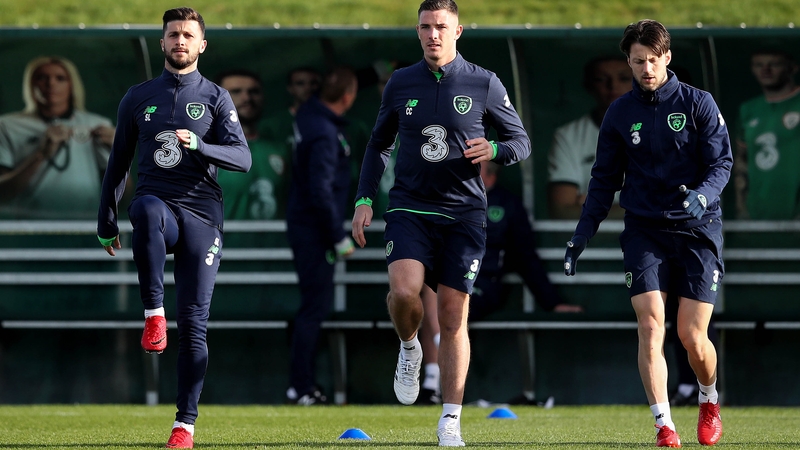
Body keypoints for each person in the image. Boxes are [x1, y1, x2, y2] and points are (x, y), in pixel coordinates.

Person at [351, 0, 531, 446]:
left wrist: (494, 149)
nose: (433, 34)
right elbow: (378, 146)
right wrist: (365, 198)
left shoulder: (483, 82)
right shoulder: (401, 82)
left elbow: (521, 141)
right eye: (426, 27)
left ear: (458, 31)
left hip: (465, 214)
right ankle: (410, 347)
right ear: (417, 32)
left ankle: (450, 419)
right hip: (411, 207)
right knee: (403, 293)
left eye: (441, 27)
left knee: (453, 317)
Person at [563, 19, 729, 447]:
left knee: (692, 337)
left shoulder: (699, 104)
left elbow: (721, 164)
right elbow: (603, 181)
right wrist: (582, 235)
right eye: (638, 61)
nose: (646, 68)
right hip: (644, 230)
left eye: (653, 60)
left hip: (697, 228)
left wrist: (705, 196)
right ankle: (664, 425)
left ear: (667, 58)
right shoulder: (620, 113)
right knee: (652, 324)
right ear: (630, 62)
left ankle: (709, 399)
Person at [96, 7, 251, 449]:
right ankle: (153, 315)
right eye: (172, 35)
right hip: (160, 207)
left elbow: (243, 158)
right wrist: (105, 218)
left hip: (203, 218)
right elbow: (118, 162)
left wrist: (200, 144)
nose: (179, 41)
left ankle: (185, 425)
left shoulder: (217, 97)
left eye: (188, 35)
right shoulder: (138, 96)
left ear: (201, 45)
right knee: (143, 207)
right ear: (161, 43)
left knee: (196, 324)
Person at [417, 161, 584, 406]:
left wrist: (553, 303)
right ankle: (432, 381)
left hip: (484, 286)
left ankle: (435, 380)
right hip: (448, 278)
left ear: (491, 174)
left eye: (474, 167)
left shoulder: (507, 205)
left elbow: (526, 259)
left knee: (443, 295)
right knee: (433, 284)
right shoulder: (449, 198)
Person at [285, 66, 358, 405]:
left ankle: (302, 384)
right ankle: (301, 386)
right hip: (314, 231)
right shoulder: (325, 132)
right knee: (314, 307)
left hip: (306, 225)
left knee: (313, 306)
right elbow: (320, 191)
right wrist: (338, 236)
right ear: (348, 97)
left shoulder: (310, 116)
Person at [0, 56, 116, 219]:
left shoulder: (97, 124)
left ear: (72, 85)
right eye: (41, 78)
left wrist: (120, 154)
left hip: (87, 225)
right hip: (29, 225)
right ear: (30, 84)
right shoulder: (7, 126)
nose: (51, 84)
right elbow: (2, 193)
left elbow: (121, 197)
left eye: (60, 78)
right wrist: (41, 154)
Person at [548, 55, 631, 220]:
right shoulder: (568, 136)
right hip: (591, 243)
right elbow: (562, 212)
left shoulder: (659, 130)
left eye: (624, 78)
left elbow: (667, 206)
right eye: (601, 79)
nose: (613, 85)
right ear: (589, 86)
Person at [215, 69, 288, 221]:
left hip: (278, 244)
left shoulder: (281, 150)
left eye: (253, 91)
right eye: (235, 92)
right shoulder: (205, 151)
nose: (246, 97)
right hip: (225, 244)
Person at [735, 49, 800, 220]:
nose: (766, 70)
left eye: (775, 64)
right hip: (758, 215)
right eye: (759, 65)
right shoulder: (748, 109)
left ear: (792, 68)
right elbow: (742, 163)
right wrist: (742, 210)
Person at [260, 66, 322, 152]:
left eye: (313, 83)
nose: (308, 88)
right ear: (290, 88)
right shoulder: (273, 125)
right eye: (300, 83)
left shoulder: (330, 120)